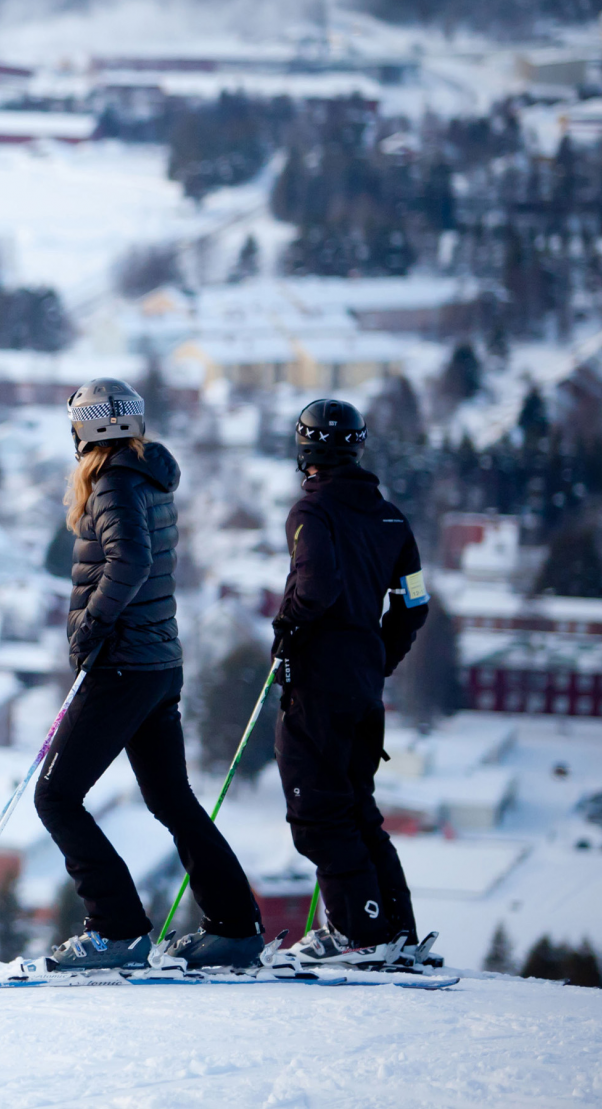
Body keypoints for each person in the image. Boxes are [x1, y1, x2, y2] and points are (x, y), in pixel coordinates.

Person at [34, 378, 264, 971]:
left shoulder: (111, 482)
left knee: (57, 796)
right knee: (170, 798)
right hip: (158, 663)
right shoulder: (147, 477)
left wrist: (90, 624)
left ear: (86, 429)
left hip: (122, 666)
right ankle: (235, 929)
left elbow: (129, 559)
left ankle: (117, 931)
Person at [271, 398, 431, 970]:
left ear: (305, 450)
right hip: (363, 685)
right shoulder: (392, 520)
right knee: (357, 807)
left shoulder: (310, 513)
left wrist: (287, 628)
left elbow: (316, 585)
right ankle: (395, 930)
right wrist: (378, 656)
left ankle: (357, 932)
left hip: (318, 680)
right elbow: (414, 602)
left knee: (317, 811)